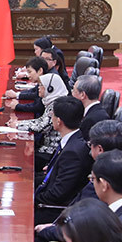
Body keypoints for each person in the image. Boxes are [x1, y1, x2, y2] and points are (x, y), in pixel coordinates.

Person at [34, 96, 93, 224]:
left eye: (52, 115)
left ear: (59, 121)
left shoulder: (73, 152)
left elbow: (57, 194)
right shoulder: (73, 139)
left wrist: (30, 198)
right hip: (48, 194)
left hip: (54, 212)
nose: (51, 118)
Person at [72, 75, 108, 140]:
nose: (72, 94)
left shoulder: (90, 120)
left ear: (82, 95)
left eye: (74, 90)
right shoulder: (97, 110)